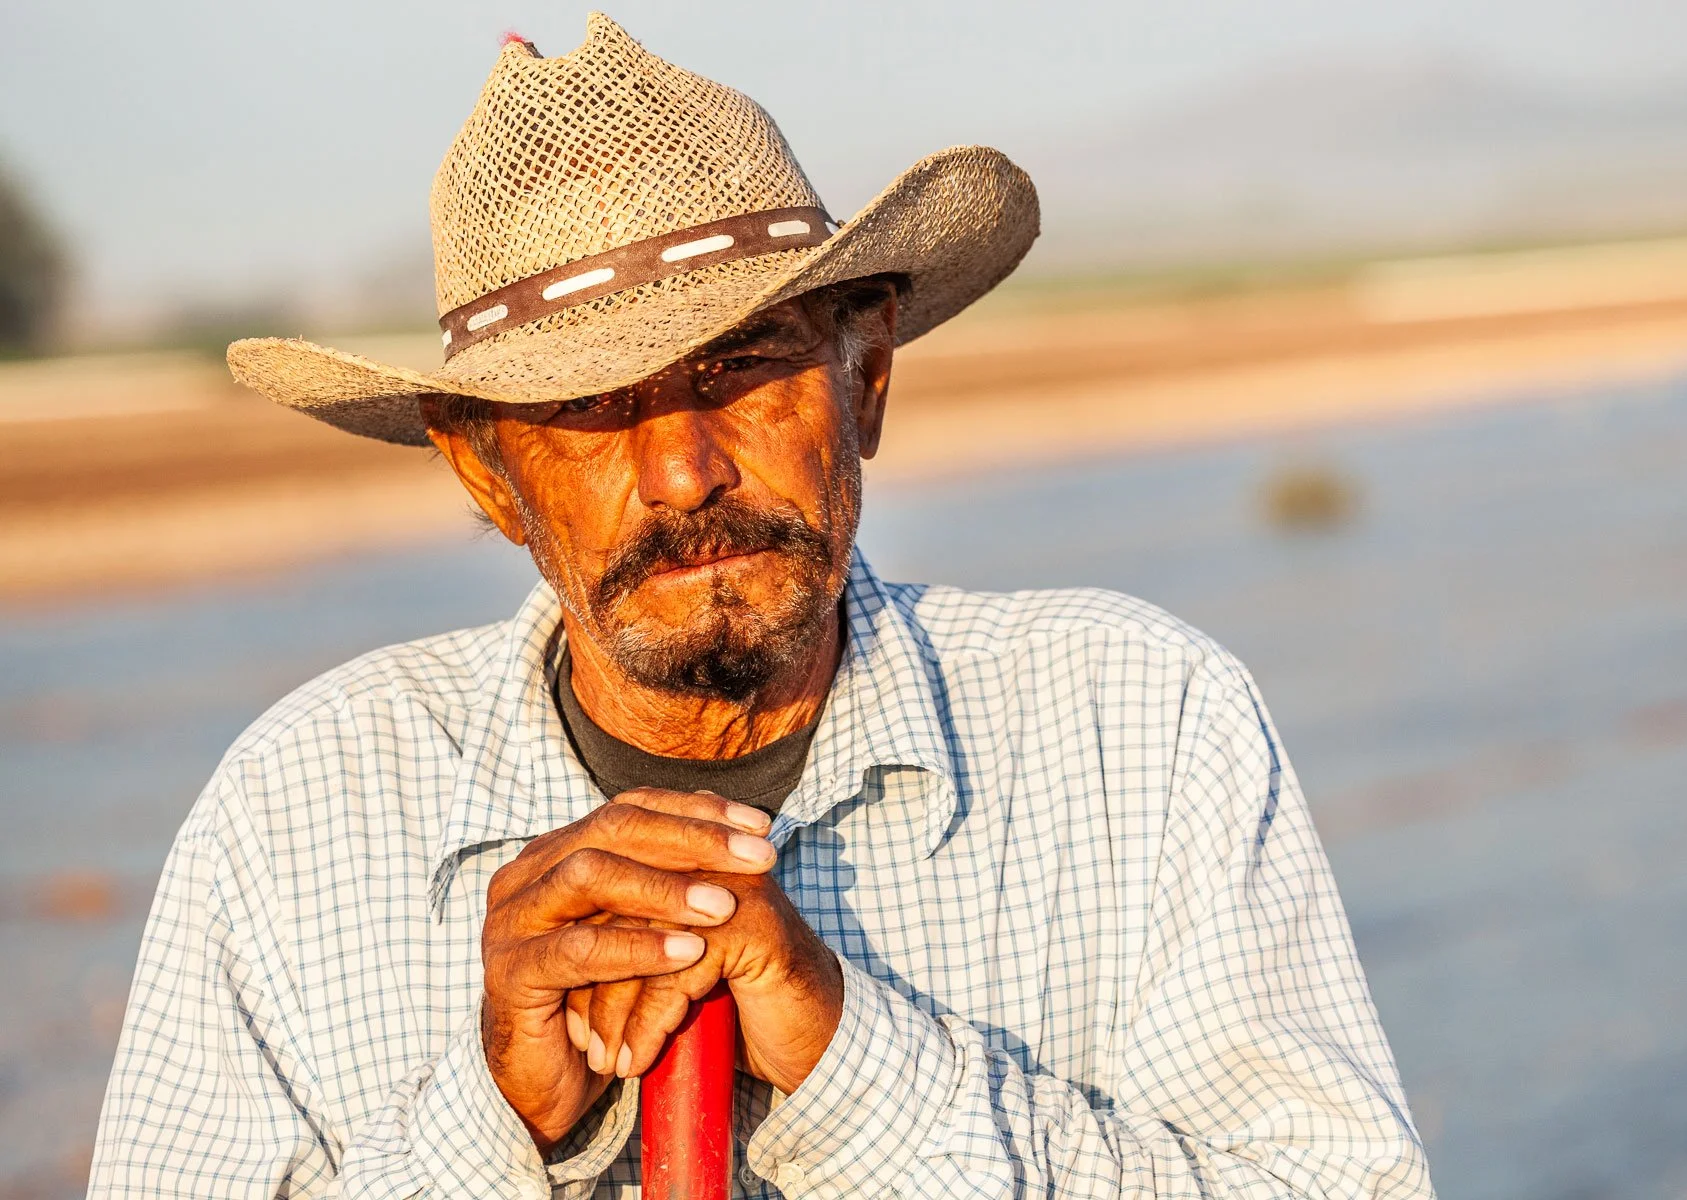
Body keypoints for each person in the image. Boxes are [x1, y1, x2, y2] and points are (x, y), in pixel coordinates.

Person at [90, 14, 1433, 1199]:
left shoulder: (1139, 723)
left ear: (869, 381)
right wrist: (491, 1126)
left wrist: (856, 1061)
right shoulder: (296, 814)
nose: (682, 473)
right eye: (588, 413)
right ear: (489, 475)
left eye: (744, 369)